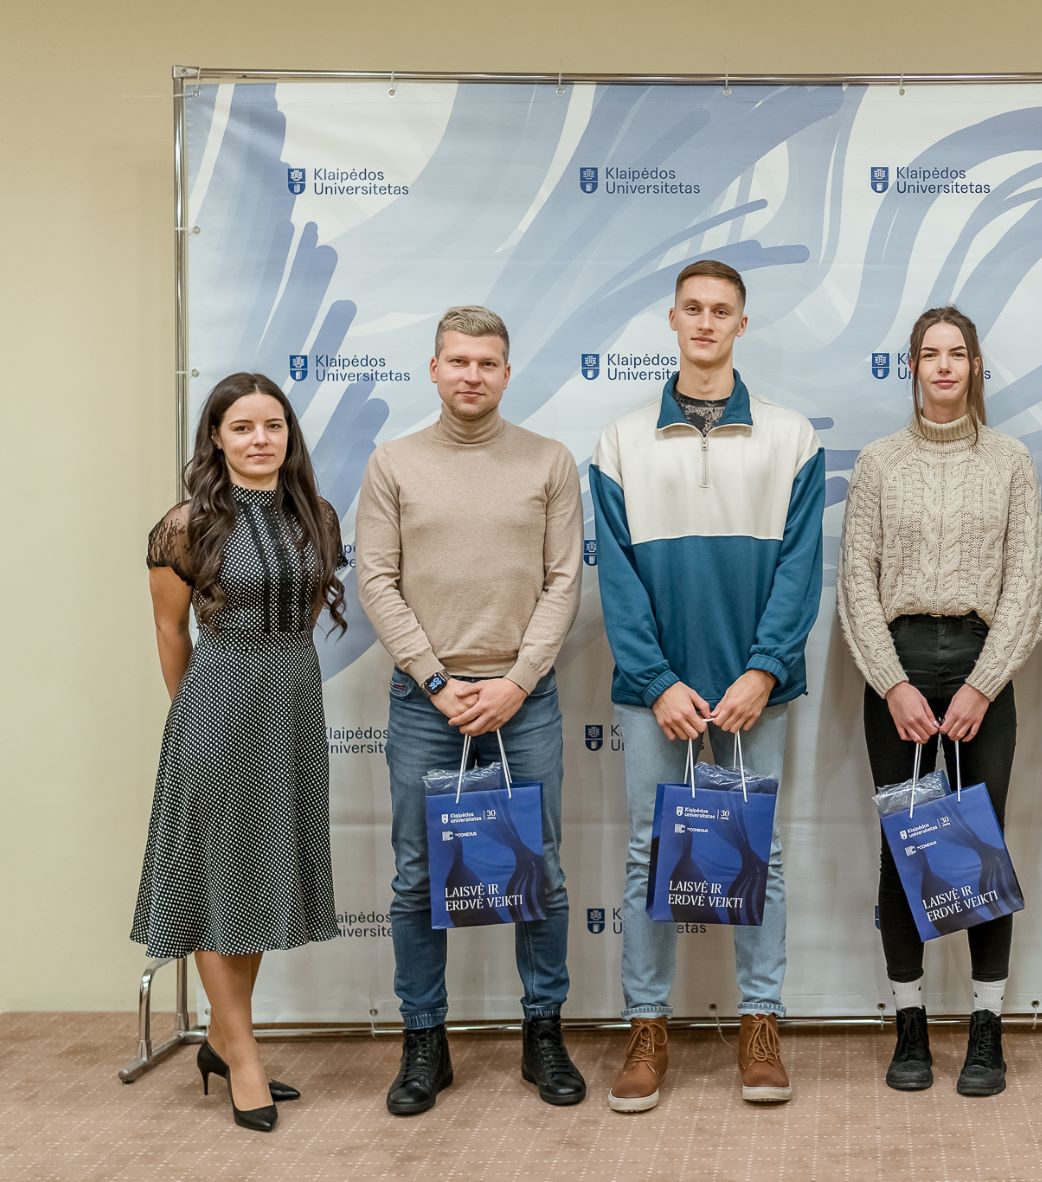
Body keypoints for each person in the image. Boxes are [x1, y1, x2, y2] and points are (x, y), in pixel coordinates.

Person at [591, 259, 824, 1113]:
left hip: (757, 691)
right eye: (691, 308)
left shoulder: (791, 436)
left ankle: (759, 1021)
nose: (704, 321)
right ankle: (645, 1026)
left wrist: (763, 670)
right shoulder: (620, 440)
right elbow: (616, 579)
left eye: (720, 310)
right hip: (657, 696)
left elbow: (800, 568)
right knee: (647, 854)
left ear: (740, 325)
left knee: (760, 853)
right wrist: (656, 683)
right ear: (672, 320)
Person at [356, 306, 585, 1115]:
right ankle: (425, 1041)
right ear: (434, 368)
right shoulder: (393, 463)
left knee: (540, 870)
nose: (472, 375)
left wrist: (517, 681)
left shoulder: (549, 461)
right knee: (419, 876)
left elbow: (564, 580)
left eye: (487, 363)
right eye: (458, 361)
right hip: (428, 703)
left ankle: (543, 1033)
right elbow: (375, 580)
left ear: (506, 373)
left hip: (524, 701)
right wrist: (434, 680)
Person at [838, 306, 1042, 1096]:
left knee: (978, 848)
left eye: (957, 353)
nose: (944, 366)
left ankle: (987, 1029)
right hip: (894, 669)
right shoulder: (878, 462)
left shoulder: (1010, 461)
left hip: (978, 663)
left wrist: (981, 686)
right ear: (913, 368)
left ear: (975, 365)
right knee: (905, 845)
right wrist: (890, 682)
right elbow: (855, 581)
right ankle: (910, 1025)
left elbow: (1024, 587)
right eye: (930, 354)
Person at [135, 373, 348, 1132]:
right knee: (217, 884)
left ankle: (224, 1043)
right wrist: (194, 717)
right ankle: (245, 1059)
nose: (261, 439)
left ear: (289, 435)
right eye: (243, 427)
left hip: (293, 706)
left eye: (274, 426)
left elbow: (308, 610)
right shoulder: (185, 524)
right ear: (216, 438)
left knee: (259, 883)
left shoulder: (316, 514)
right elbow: (171, 632)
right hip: (218, 708)